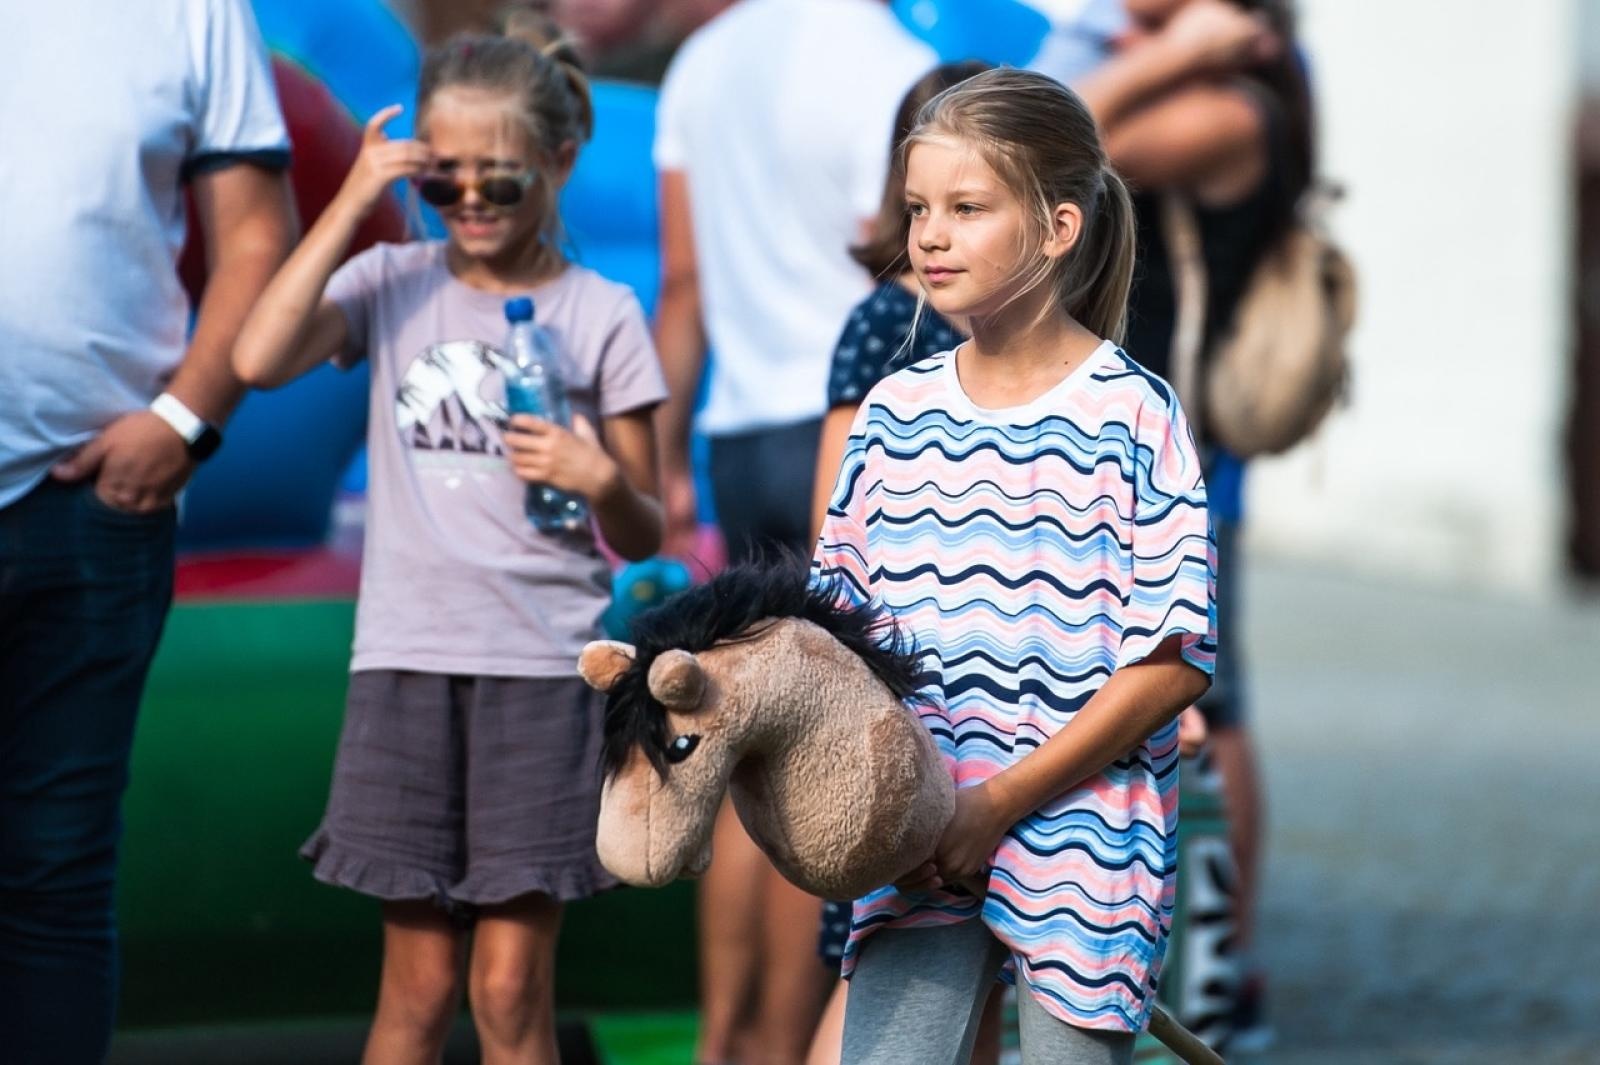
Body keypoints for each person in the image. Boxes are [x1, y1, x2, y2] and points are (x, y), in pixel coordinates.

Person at [232, 11, 666, 1064]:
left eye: (501, 180)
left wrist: (597, 474)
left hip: (538, 671)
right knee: (418, 991)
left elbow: (644, 521)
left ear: (559, 161)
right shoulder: (393, 286)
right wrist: (350, 203)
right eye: (443, 180)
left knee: (512, 990)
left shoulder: (600, 311)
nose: (469, 201)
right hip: (405, 667)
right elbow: (256, 356)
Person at [813, 68, 1216, 1064]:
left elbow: (1173, 659)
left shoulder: (1135, 416)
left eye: (967, 208)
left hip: (1085, 846)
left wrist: (997, 804)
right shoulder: (893, 415)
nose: (930, 236)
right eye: (917, 210)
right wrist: (884, 809)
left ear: (1057, 227)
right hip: (912, 852)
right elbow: (833, 642)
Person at [0, 2, 294, 1061]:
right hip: (92, 509)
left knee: (55, 878)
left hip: (90, 508)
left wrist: (182, 423)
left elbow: (257, 230)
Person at [650, 3, 936, 1061]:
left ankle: (721, 1036)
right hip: (859, 417)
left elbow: (682, 283)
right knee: (818, 756)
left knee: (744, 758)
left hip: (738, 430)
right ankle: (782, 1041)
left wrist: (667, 460)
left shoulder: (702, 60)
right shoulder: (897, 66)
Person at [1074, 0, 1315, 1040]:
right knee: (1204, 693)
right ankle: (1217, 961)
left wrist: (1163, 60)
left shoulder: (1235, 109)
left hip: (1177, 459)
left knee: (1210, 703)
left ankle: (1221, 972)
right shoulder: (1212, 85)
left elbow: (1048, 149)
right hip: (1157, 443)